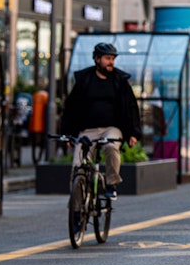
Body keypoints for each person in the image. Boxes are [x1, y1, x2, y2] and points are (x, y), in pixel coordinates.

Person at [59, 42, 142, 200]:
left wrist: (133, 133)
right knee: (78, 165)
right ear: (97, 59)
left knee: (111, 147)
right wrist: (68, 133)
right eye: (107, 58)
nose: (111, 62)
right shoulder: (84, 80)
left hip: (112, 128)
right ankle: (77, 207)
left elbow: (131, 107)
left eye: (112, 59)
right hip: (87, 129)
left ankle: (111, 184)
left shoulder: (120, 80)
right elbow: (71, 107)